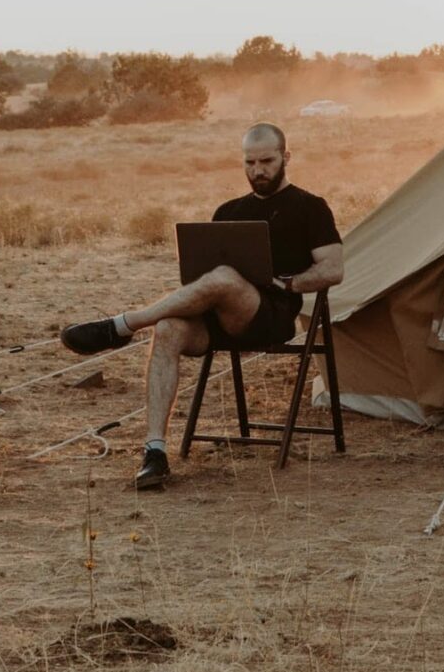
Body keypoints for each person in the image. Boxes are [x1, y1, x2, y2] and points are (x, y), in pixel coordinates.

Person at [59, 122, 342, 492]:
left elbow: (333, 270)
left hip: (270, 316)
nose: (258, 170)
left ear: (285, 157)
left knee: (224, 276)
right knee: (167, 329)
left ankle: (122, 326)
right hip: (218, 318)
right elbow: (200, 280)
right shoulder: (228, 210)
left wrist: (287, 282)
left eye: (267, 161)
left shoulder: (310, 207)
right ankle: (155, 453)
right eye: (250, 162)